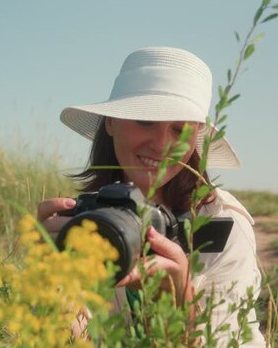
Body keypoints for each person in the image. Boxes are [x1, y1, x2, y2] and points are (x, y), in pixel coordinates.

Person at [37, 47, 266, 346]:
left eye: (179, 129)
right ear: (110, 122)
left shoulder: (221, 225)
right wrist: (48, 277)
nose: (161, 145)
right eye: (145, 121)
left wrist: (177, 299)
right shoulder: (87, 220)